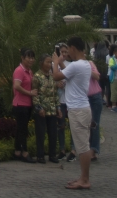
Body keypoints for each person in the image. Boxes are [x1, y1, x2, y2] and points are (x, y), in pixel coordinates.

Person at [53, 36, 92, 191]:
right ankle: (83, 176)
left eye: (68, 49)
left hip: (78, 110)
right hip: (81, 108)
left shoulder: (77, 65)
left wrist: (56, 62)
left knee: (82, 146)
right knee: (82, 144)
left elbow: (56, 76)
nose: (67, 52)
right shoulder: (84, 64)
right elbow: (68, 72)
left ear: (73, 48)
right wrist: (61, 63)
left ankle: (85, 179)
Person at [33, 52, 59, 163]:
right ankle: (40, 155)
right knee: (40, 134)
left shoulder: (52, 76)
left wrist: (58, 107)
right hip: (42, 110)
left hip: (52, 109)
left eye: (50, 62)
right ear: (41, 63)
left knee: (53, 133)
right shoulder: (37, 77)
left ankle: (52, 155)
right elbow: (35, 94)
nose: (49, 64)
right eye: (47, 62)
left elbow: (55, 93)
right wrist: (39, 108)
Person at [12, 47, 37, 162]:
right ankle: (24, 152)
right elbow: (17, 86)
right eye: (29, 57)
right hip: (20, 104)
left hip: (27, 104)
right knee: (22, 129)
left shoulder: (29, 71)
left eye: (33, 58)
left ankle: (17, 152)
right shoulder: (19, 70)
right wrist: (30, 93)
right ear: (22, 58)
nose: (31, 60)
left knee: (21, 129)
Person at [56, 43, 70, 160]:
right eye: (62, 52)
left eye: (66, 52)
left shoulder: (71, 65)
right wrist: (56, 84)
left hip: (70, 100)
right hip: (59, 100)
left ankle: (73, 150)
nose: (64, 54)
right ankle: (62, 150)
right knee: (61, 126)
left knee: (72, 126)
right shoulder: (53, 64)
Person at [108, 44, 117, 111]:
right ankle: (113, 106)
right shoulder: (112, 59)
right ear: (114, 52)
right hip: (114, 78)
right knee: (114, 92)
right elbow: (112, 67)